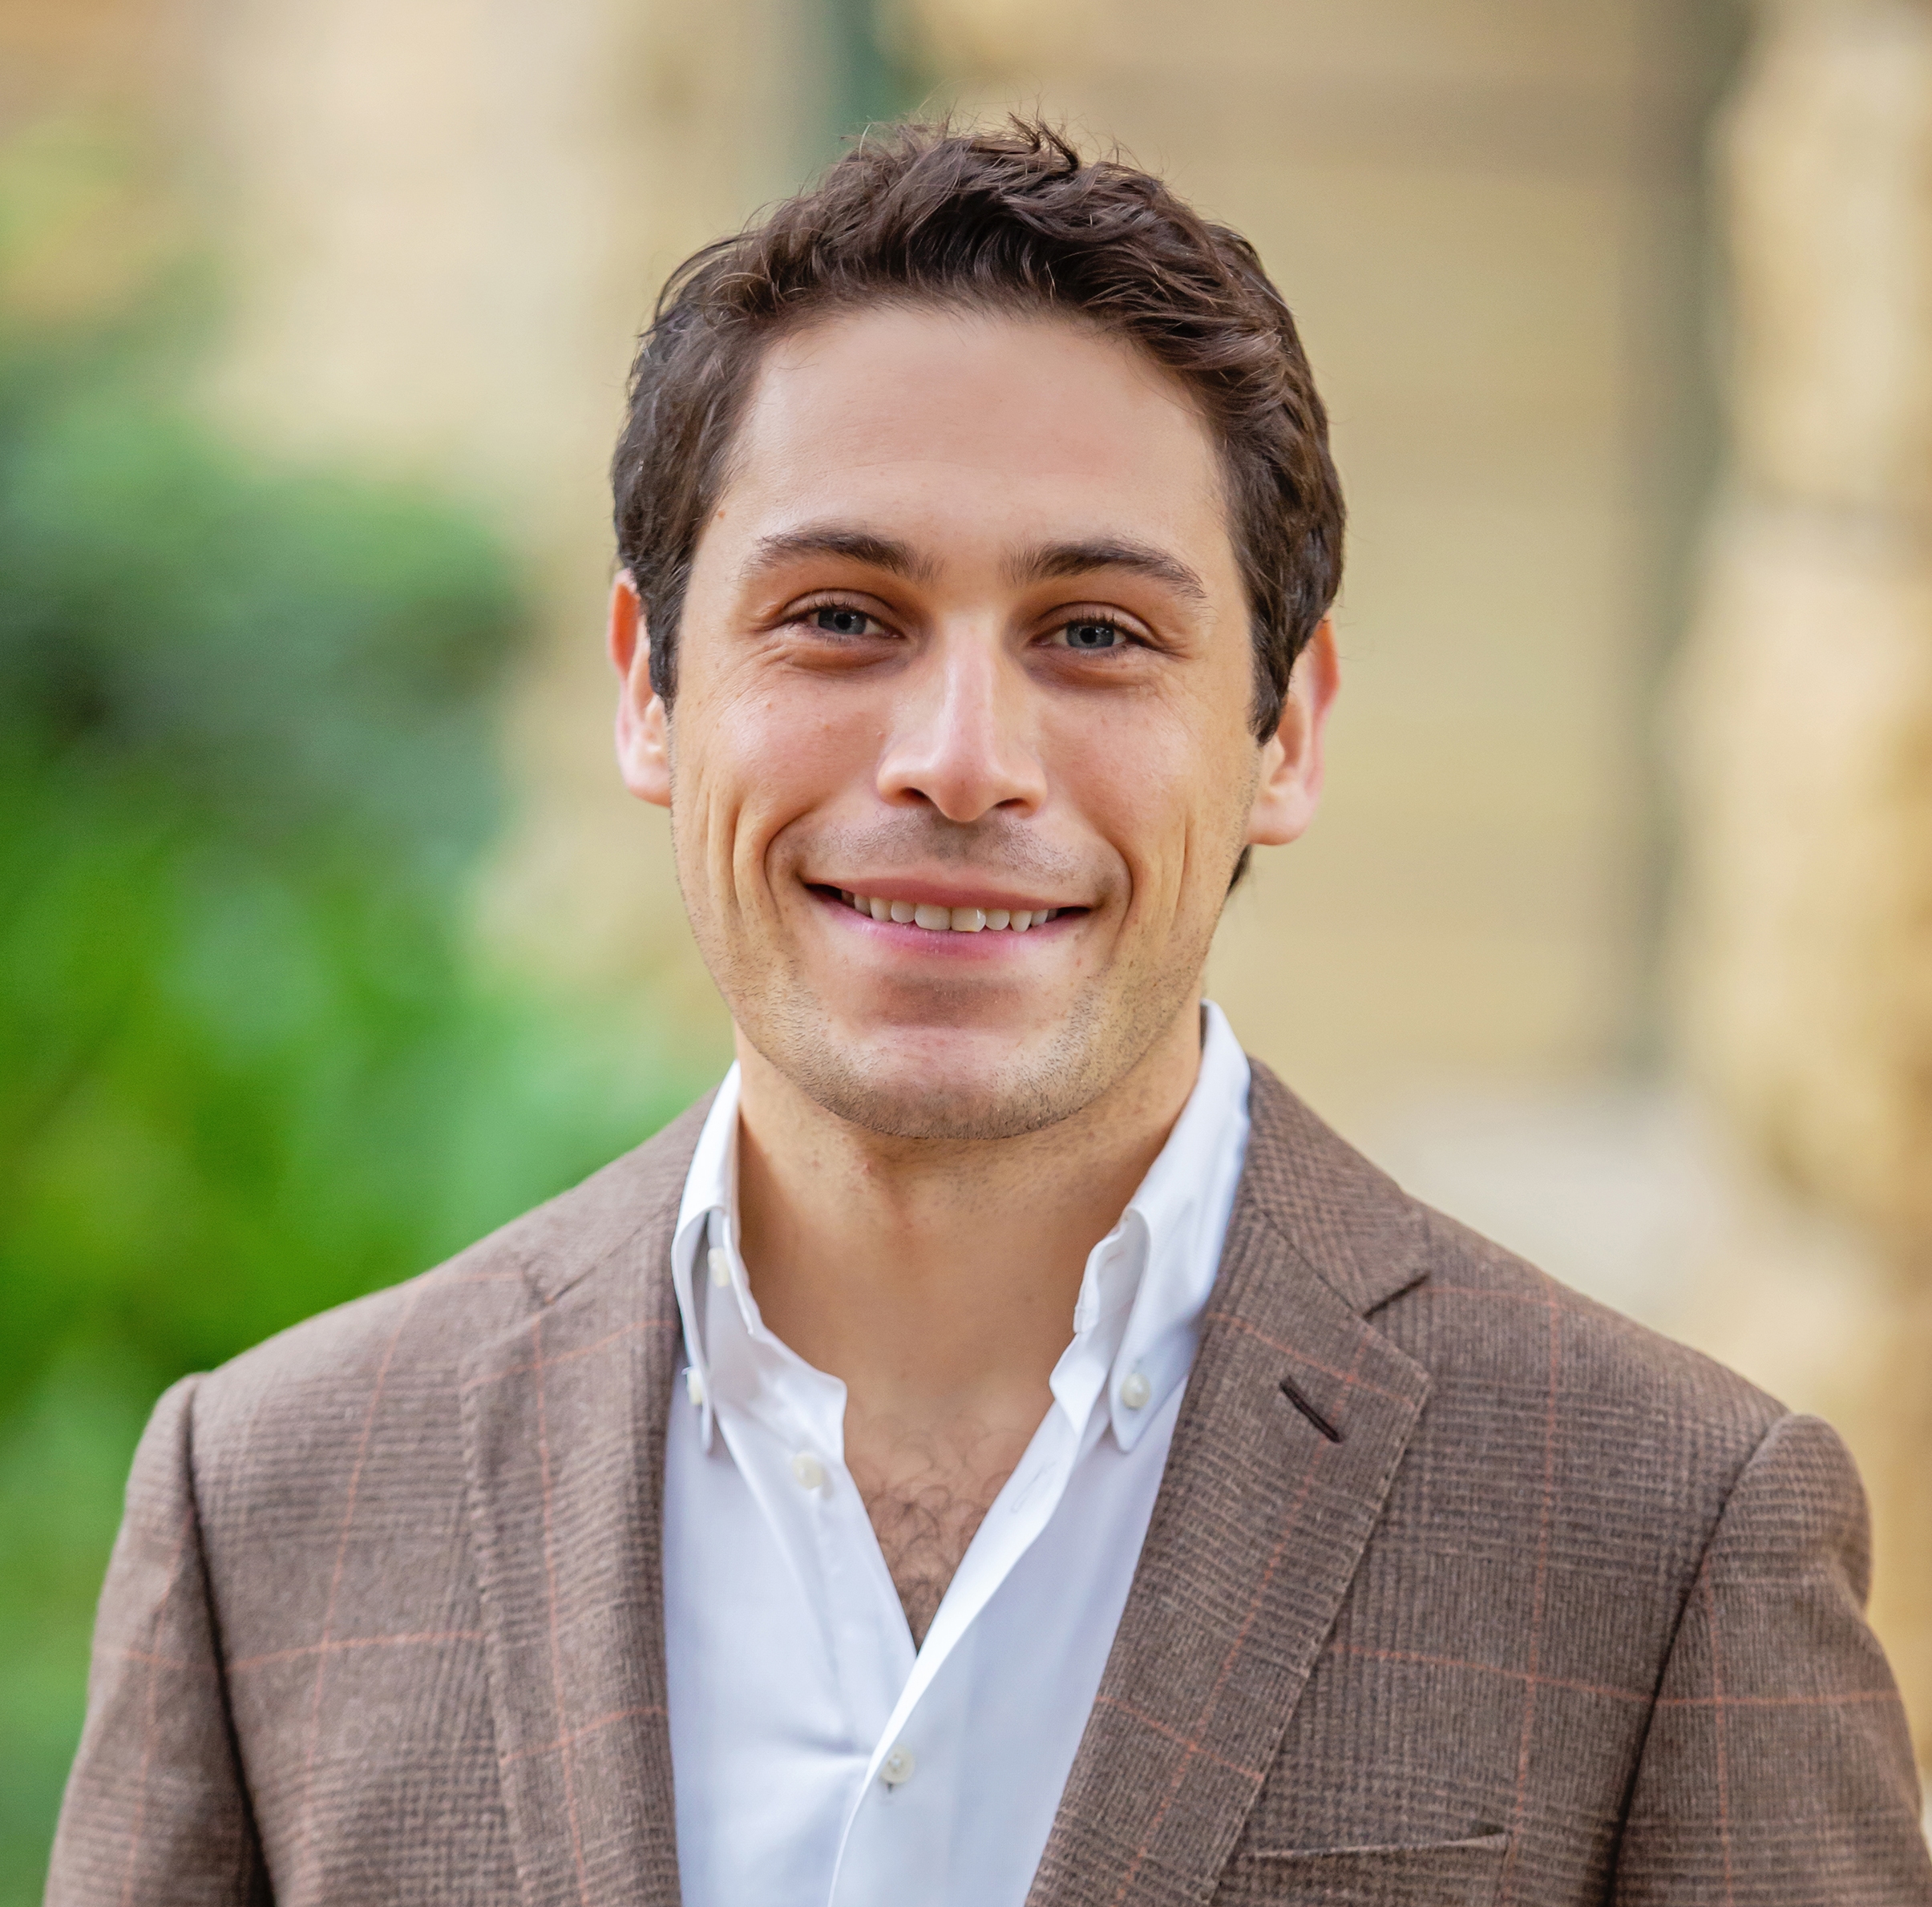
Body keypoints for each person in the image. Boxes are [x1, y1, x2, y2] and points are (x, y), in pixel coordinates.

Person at [48, 119, 1930, 1907]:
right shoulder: (269, 1503)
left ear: (1283, 733)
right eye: (840, 615)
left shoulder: (1660, 1536)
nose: (959, 760)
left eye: (1093, 632)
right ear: (647, 688)